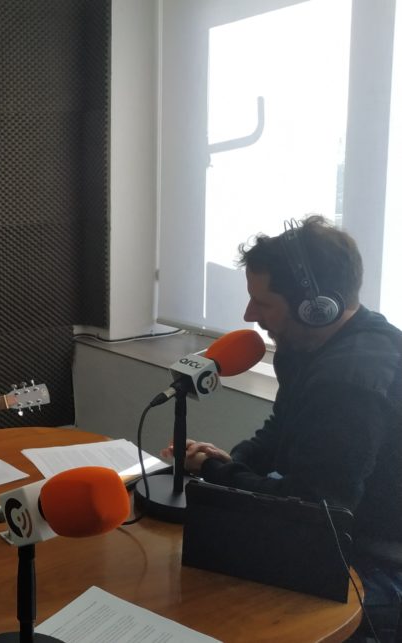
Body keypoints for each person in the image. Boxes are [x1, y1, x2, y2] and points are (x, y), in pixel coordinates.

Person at [161, 216, 402, 641]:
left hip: (377, 560)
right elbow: (281, 431)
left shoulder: (350, 380)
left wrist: (219, 475)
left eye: (263, 303)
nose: (248, 315)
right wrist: (232, 460)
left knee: (216, 602)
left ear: (316, 307)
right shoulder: (308, 344)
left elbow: (315, 508)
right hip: (338, 522)